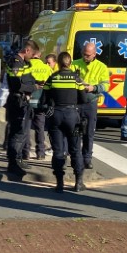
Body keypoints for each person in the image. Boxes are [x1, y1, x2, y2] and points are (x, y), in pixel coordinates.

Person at [42, 52, 88, 192]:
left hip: (56, 115)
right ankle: (78, 182)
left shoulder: (53, 78)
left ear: (59, 63)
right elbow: (84, 99)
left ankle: (59, 183)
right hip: (72, 116)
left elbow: (44, 99)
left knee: (58, 150)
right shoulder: (76, 79)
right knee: (75, 150)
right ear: (70, 63)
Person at [4, 40, 40, 177]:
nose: (32, 57)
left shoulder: (23, 62)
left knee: (22, 132)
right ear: (27, 50)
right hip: (17, 101)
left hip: (22, 101)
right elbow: (16, 85)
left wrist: (35, 83)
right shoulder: (16, 62)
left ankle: (17, 159)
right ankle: (12, 163)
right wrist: (34, 87)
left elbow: (27, 79)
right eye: (32, 54)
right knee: (17, 133)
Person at [72, 41, 108, 169]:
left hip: (90, 103)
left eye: (87, 55)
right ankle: (75, 157)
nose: (85, 57)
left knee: (89, 132)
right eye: (83, 54)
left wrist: (94, 88)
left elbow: (106, 85)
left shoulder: (101, 67)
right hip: (76, 102)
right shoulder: (75, 63)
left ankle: (87, 158)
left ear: (94, 54)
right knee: (74, 131)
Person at [24, 54, 54, 160]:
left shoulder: (26, 66)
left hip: (28, 101)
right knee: (40, 128)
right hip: (41, 102)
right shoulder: (47, 68)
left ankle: (25, 152)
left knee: (26, 127)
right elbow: (51, 85)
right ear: (40, 56)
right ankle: (40, 153)